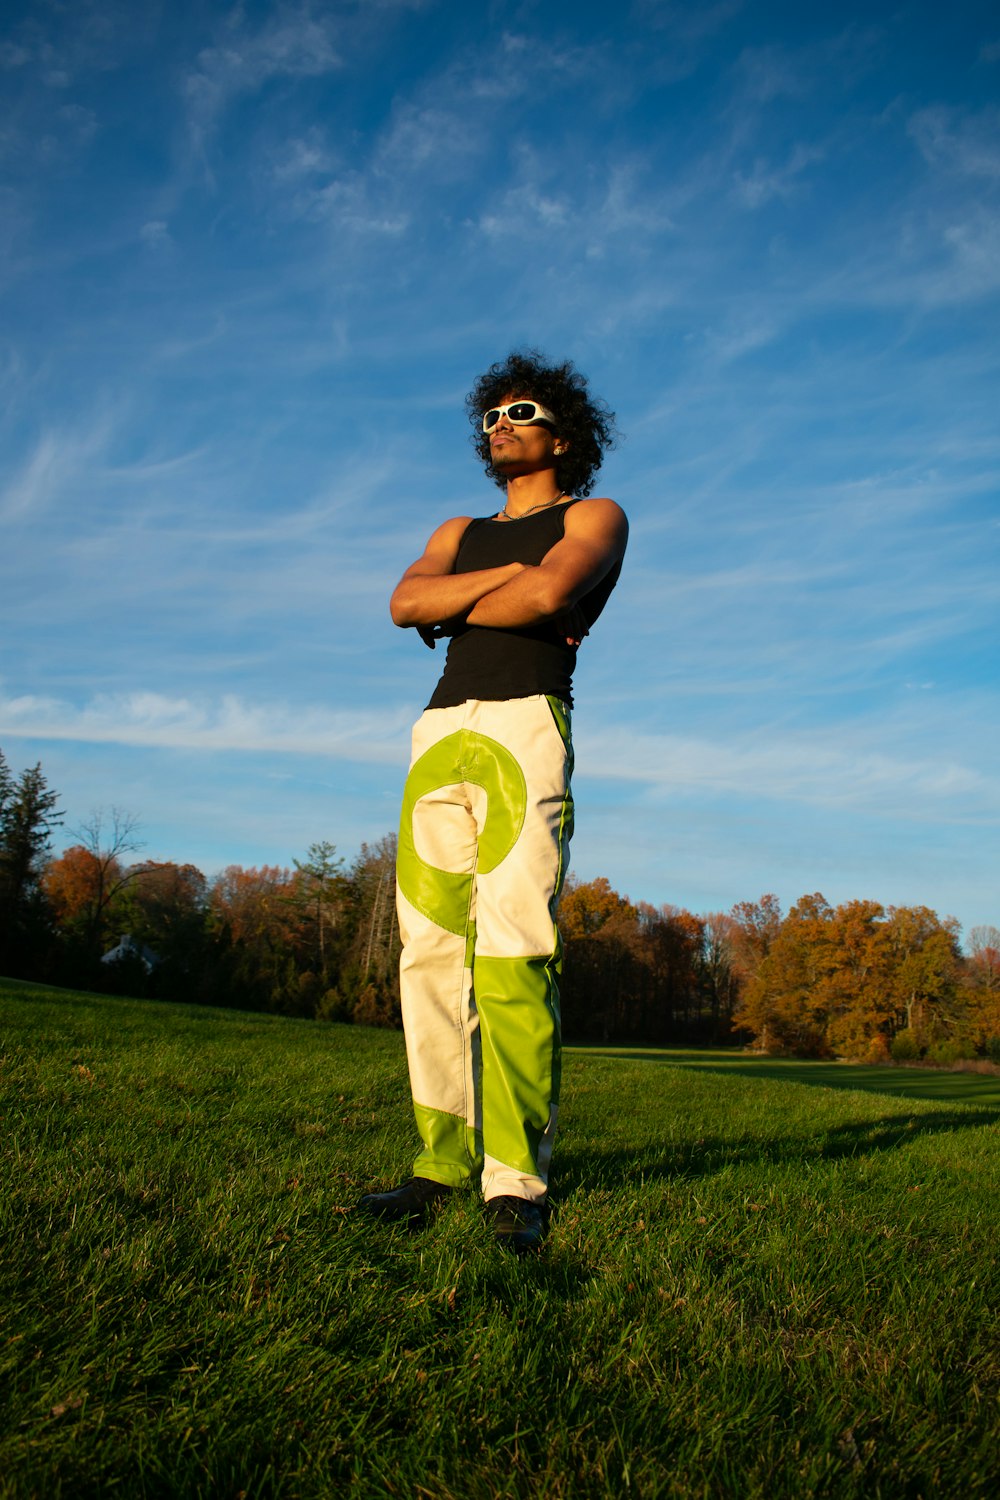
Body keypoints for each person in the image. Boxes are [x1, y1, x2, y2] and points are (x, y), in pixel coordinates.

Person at [358, 351, 627, 1252]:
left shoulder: (592, 515)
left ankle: (515, 1183)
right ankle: (441, 1163)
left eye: (519, 411)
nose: (499, 427)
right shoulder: (458, 527)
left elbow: (553, 589)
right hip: (440, 734)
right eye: (489, 419)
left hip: (527, 726)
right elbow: (403, 603)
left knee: (515, 947)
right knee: (429, 951)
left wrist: (457, 602)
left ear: (562, 431)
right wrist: (484, 592)